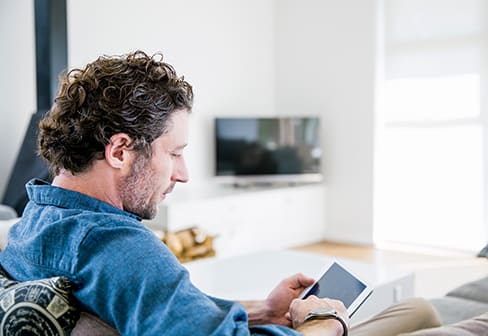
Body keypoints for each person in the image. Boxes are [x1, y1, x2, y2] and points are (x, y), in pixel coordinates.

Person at [0, 51, 441, 336]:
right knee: (428, 316)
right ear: (120, 150)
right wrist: (324, 322)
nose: (185, 174)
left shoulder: (34, 219)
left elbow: (164, 310)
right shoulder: (121, 250)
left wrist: (266, 311)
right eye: (174, 154)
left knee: (419, 310)